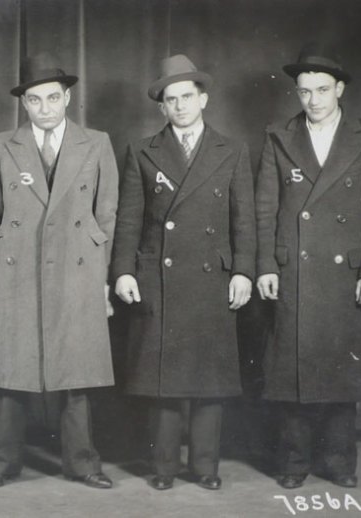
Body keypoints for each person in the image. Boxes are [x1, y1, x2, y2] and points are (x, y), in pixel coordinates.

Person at [254, 42, 361, 489]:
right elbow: (264, 210)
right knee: (292, 376)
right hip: (293, 271)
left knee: (340, 373)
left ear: (339, 89)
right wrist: (265, 267)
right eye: (304, 91)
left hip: (345, 275)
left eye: (321, 89)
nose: (313, 100)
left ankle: (340, 464)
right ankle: (294, 463)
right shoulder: (279, 135)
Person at [111, 54, 255, 491]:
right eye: (170, 100)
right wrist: (123, 271)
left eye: (187, 97)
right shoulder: (142, 150)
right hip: (159, 274)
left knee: (209, 381)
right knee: (165, 381)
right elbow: (129, 219)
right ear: (161, 107)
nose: (179, 106)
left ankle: (206, 468)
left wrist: (244, 272)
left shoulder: (231, 149)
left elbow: (243, 220)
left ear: (203, 99)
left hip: (213, 277)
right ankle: (164, 468)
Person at [0, 52, 118, 490]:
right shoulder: (3, 144)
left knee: (75, 373)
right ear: (24, 104)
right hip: (16, 269)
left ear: (68, 97)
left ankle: (83, 463)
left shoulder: (96, 143)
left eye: (52, 98)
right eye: (34, 100)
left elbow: (107, 215)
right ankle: (0, 465)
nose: (44, 108)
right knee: (12, 371)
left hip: (76, 269)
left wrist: (101, 278)